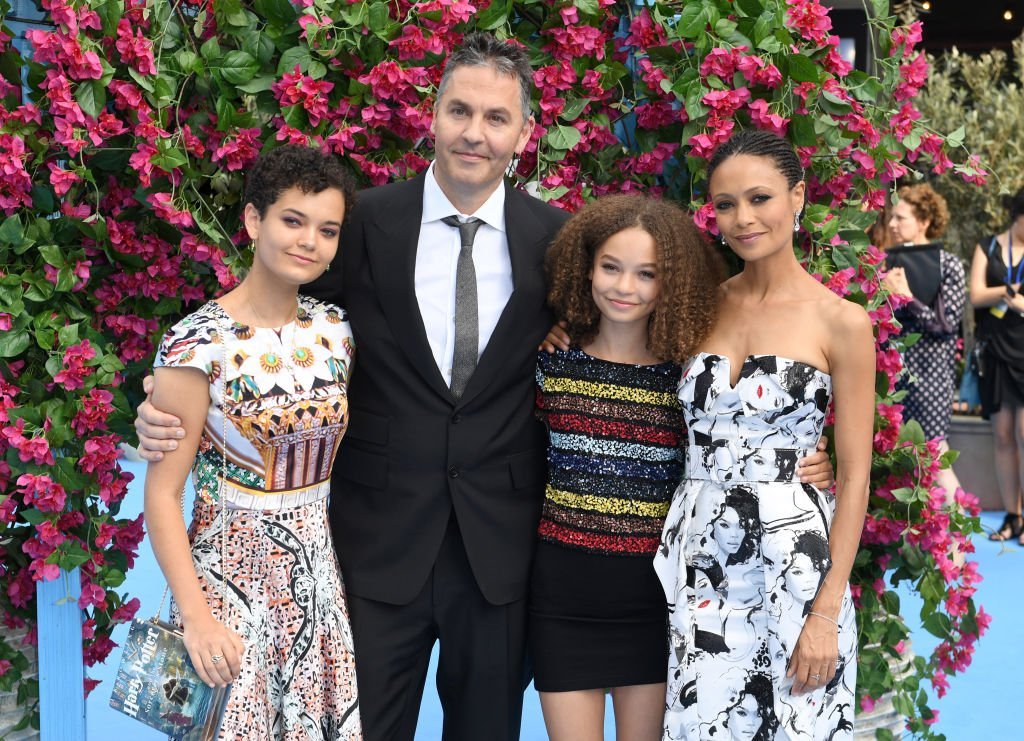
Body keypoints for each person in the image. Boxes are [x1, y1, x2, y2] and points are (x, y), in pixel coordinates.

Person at [137, 33, 568, 741]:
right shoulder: (356, 223)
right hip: (370, 552)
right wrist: (155, 403)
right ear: (432, 115)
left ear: (524, 132)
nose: (474, 132)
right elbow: (262, 326)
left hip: (498, 555)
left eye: (496, 118)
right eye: (459, 110)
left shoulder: (556, 240)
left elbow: (605, 346)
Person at [654, 129, 873, 739]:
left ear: (797, 197)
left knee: (798, 722)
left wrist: (826, 611)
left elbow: (855, 477)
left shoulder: (842, 322)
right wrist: (555, 337)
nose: (743, 219)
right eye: (726, 205)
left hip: (794, 563)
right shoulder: (697, 305)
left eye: (759, 198)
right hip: (697, 557)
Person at [142, 145, 362, 739]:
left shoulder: (336, 330)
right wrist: (196, 618)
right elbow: (162, 495)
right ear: (253, 221)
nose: (309, 241)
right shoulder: (194, 344)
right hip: (224, 587)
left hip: (315, 581)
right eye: (292, 220)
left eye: (327, 229)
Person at [529, 195, 722, 741]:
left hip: (652, 602)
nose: (624, 287)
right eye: (611, 267)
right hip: (561, 597)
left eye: (646, 274)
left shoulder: (687, 382)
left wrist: (815, 464)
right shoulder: (548, 362)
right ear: (586, 266)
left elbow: (730, 457)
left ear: (671, 283)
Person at [882, 183, 966, 502]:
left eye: (900, 217)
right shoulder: (886, 264)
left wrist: (906, 298)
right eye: (891, 216)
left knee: (934, 455)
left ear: (924, 221)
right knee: (902, 465)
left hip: (930, 379)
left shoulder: (948, 265)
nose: (892, 224)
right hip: (892, 378)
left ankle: (959, 536)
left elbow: (946, 326)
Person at [969, 187, 1024, 543]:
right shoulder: (987, 246)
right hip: (995, 350)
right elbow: (976, 295)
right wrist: (1007, 294)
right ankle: (1012, 516)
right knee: (1002, 435)